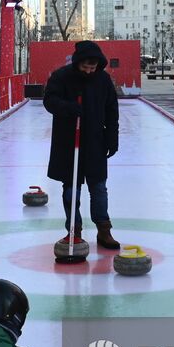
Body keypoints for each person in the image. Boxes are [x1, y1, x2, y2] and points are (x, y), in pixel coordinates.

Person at [43, 41, 121, 251]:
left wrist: (112, 138)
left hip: (96, 141)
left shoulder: (103, 79)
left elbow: (112, 109)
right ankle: (74, 230)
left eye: (92, 68)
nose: (89, 71)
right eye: (85, 67)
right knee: (71, 190)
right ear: (78, 63)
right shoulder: (61, 77)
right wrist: (69, 107)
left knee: (99, 189)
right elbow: (49, 100)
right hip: (68, 143)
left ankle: (104, 230)